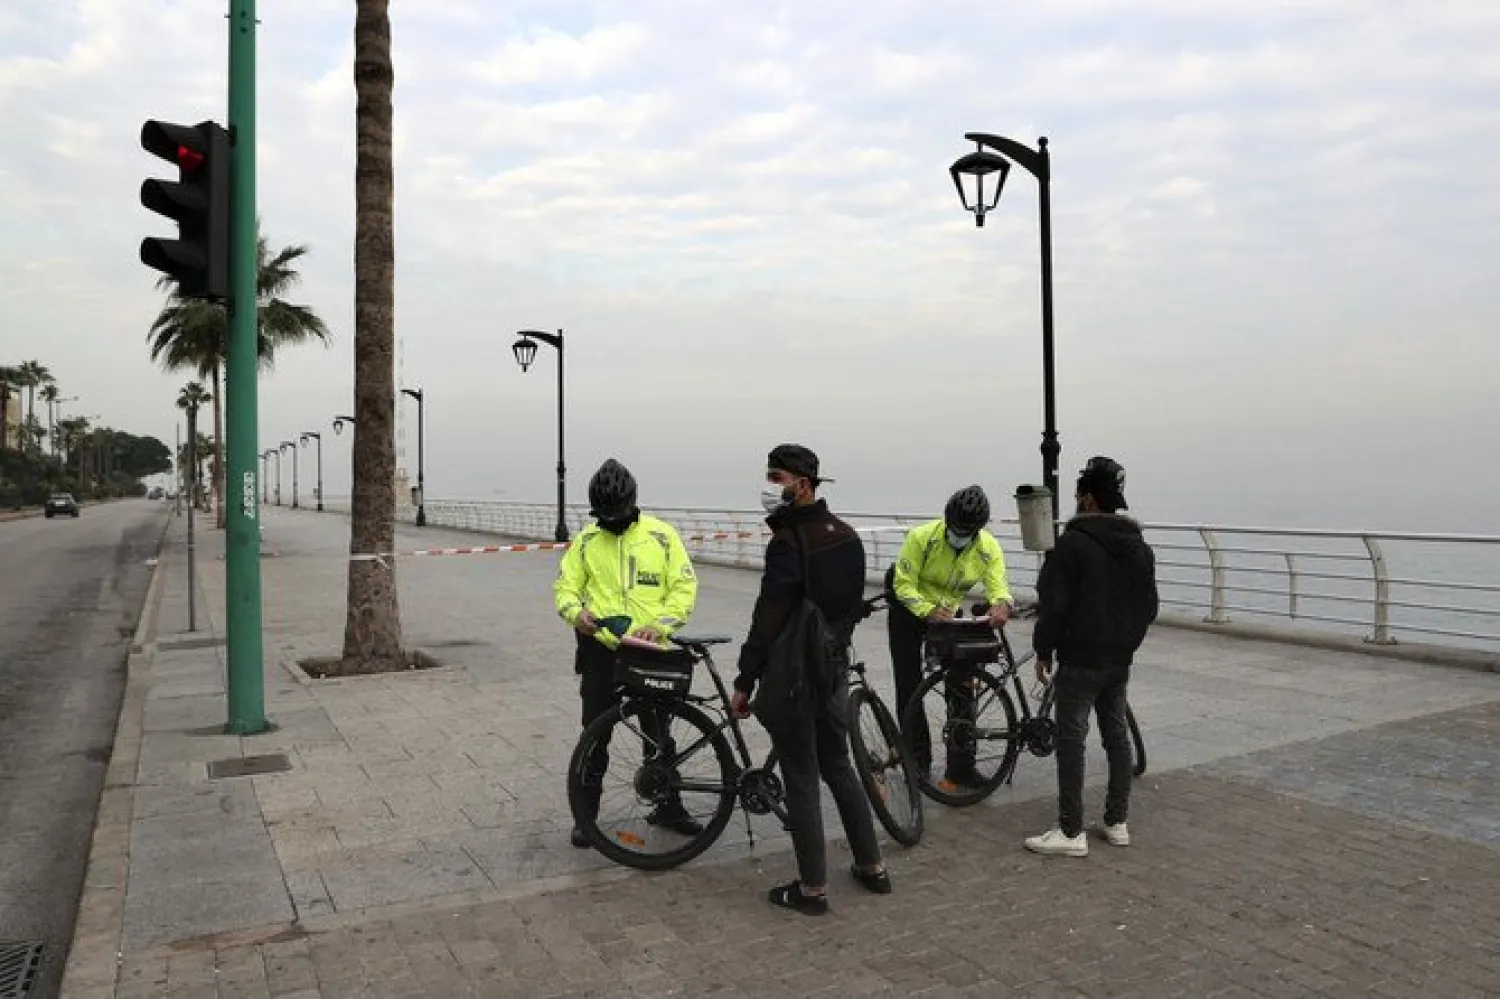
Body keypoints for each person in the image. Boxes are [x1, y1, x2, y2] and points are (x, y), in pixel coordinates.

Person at [730, 444, 890, 915]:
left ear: (802, 482)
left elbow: (769, 618)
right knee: (838, 765)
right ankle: (872, 865)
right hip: (833, 671)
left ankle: (812, 889)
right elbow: (848, 611)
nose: (769, 485)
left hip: (794, 677)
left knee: (800, 775)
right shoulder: (846, 536)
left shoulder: (788, 544)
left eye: (775, 477)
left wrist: (745, 679)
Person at [554, 457, 704, 848]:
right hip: (602, 651)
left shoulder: (662, 536)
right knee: (594, 736)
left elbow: (684, 588)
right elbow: (565, 588)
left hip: (651, 651)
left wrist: (662, 627)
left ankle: (669, 807)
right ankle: (585, 816)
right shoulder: (586, 540)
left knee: (659, 734)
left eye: (617, 513)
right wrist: (576, 613)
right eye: (603, 515)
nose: (611, 520)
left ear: (633, 503)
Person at [1026, 456, 1158, 857]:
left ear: (1086, 498)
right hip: (1118, 660)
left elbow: (1055, 604)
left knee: (1072, 740)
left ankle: (1070, 831)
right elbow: (1149, 607)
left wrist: (1044, 649)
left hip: (1080, 658)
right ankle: (1117, 822)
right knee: (1116, 737)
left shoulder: (1071, 546)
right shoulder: (1139, 548)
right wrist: (1125, 643)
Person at [885, 485, 1014, 789]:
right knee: (909, 683)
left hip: (948, 612)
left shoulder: (987, 547)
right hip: (909, 610)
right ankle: (917, 760)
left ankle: (961, 766)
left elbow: (998, 585)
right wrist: (927, 610)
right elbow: (903, 585)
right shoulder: (921, 537)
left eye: (967, 530)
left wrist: (1001, 604)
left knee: (962, 682)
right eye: (956, 528)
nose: (960, 534)